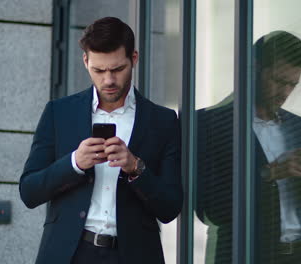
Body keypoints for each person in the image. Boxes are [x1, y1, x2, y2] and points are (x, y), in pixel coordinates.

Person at [19, 17, 183, 264]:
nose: (108, 80)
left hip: (134, 256)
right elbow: (29, 191)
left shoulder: (163, 121)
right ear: (86, 62)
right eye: (99, 70)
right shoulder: (59, 113)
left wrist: (135, 167)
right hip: (70, 254)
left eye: (117, 69)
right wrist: (74, 162)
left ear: (134, 59)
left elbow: (171, 207)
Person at [195, 31, 301, 263]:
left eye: (293, 84)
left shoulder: (296, 125)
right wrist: (269, 173)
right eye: (279, 81)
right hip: (247, 254)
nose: (285, 92)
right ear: (255, 69)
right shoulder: (210, 124)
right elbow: (212, 211)